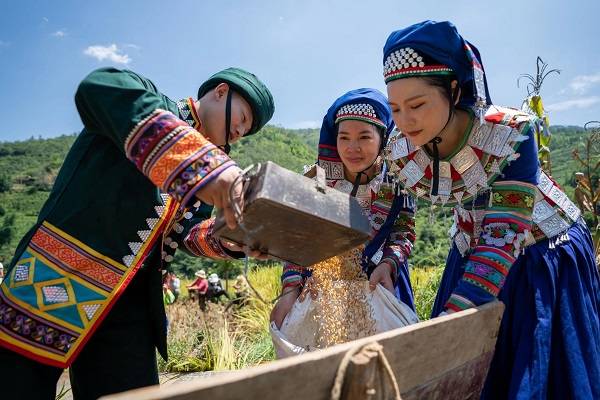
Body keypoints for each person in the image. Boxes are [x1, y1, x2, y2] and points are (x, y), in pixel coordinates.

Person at [0, 66, 274, 399]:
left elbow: (186, 233)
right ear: (220, 92)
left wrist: (235, 239)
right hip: (56, 278)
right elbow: (97, 86)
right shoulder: (153, 104)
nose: (240, 132)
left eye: (247, 130)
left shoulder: (213, 165)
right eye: (243, 117)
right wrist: (205, 167)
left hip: (131, 305)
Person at [382, 20, 600, 399]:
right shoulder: (402, 147)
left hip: (540, 254)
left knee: (534, 375)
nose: (404, 120)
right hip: (471, 250)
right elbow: (383, 209)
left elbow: (502, 237)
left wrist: (448, 328)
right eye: (395, 108)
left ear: (453, 89)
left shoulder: (510, 134)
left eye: (417, 105)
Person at [271, 88, 416, 329]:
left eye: (365, 137)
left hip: (380, 281)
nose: (352, 147)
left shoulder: (399, 180)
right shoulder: (315, 180)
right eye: (344, 137)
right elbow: (297, 239)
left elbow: (403, 232)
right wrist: (290, 288)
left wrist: (388, 263)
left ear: (382, 138)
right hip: (320, 287)